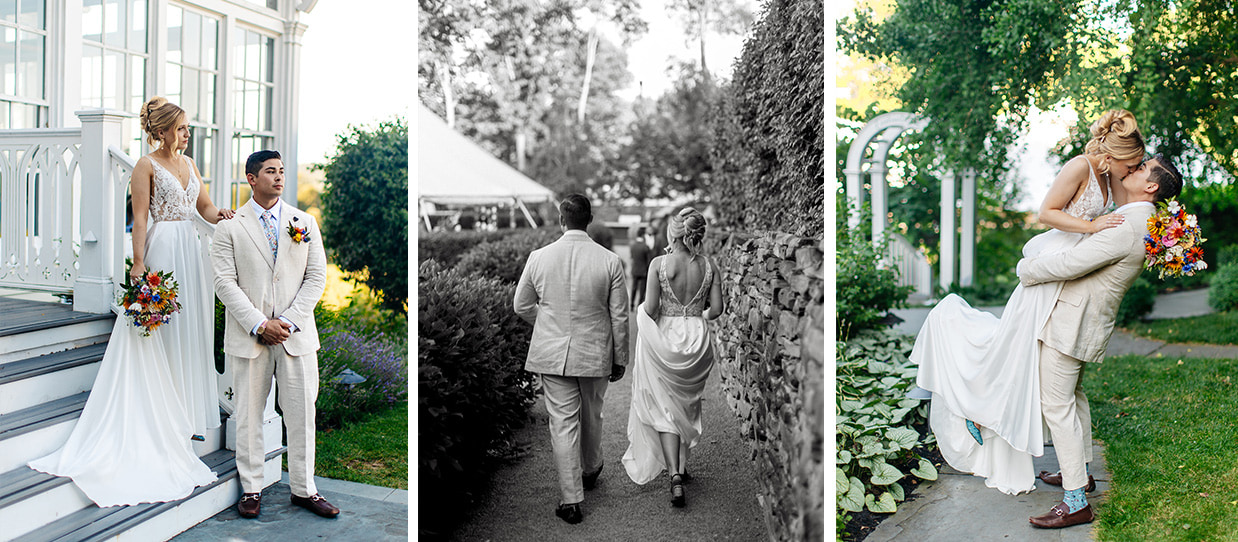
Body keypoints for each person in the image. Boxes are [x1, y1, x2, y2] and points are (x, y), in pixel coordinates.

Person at [909, 110, 1147, 495]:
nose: (1133, 169)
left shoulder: (1111, 177)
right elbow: (1045, 213)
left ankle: (1068, 468)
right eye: (1131, 163)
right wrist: (1090, 227)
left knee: (1027, 363)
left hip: (1071, 274)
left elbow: (1128, 213)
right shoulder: (1080, 166)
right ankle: (978, 410)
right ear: (1113, 155)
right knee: (1014, 351)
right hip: (1050, 266)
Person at [28, 97, 232, 506]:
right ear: (161, 131)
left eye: (187, 127)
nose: (187, 134)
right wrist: (138, 264)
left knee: (189, 332)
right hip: (162, 252)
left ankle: (184, 415)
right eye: (180, 128)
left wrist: (223, 214)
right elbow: (140, 219)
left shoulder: (190, 165)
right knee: (162, 334)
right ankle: (162, 418)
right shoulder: (144, 165)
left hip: (191, 254)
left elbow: (204, 208)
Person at [1021, 154, 1182, 528]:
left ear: (1151, 186)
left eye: (1143, 168)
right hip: (1083, 320)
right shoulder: (1142, 220)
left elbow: (1071, 264)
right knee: (1071, 398)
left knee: (1056, 404)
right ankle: (1080, 474)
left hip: (1073, 321)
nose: (1134, 168)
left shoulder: (1128, 224)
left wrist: (1025, 268)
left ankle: (1076, 501)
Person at [211, 150, 339, 519]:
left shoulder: (305, 222)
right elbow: (224, 282)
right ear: (252, 178)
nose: (279, 177)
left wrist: (288, 321)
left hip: (295, 336)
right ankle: (251, 489)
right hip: (249, 337)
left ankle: (304, 488)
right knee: (249, 415)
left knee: (301, 414)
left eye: (282, 171)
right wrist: (259, 323)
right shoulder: (230, 227)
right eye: (271, 171)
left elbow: (316, 278)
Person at [513, 194, 629, 525]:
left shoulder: (539, 257)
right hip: (594, 352)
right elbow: (619, 315)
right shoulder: (609, 260)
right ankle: (591, 469)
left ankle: (571, 501)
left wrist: (548, 325)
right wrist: (620, 357)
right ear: (589, 219)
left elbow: (521, 305)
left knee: (562, 423)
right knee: (592, 413)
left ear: (562, 220)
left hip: (552, 354)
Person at [622, 207, 724, 507]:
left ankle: (675, 476)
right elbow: (716, 310)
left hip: (666, 335)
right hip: (697, 337)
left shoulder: (659, 264)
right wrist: (695, 316)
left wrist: (644, 316)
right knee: (684, 404)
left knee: (664, 407)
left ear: (674, 232)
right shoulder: (710, 265)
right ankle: (681, 466)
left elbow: (651, 308)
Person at [629, 226, 652, 309]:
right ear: (643, 235)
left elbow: (631, 258)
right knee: (642, 289)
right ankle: (639, 305)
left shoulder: (633, 246)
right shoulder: (645, 247)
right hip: (643, 271)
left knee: (634, 288)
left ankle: (631, 303)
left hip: (635, 269)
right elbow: (648, 261)